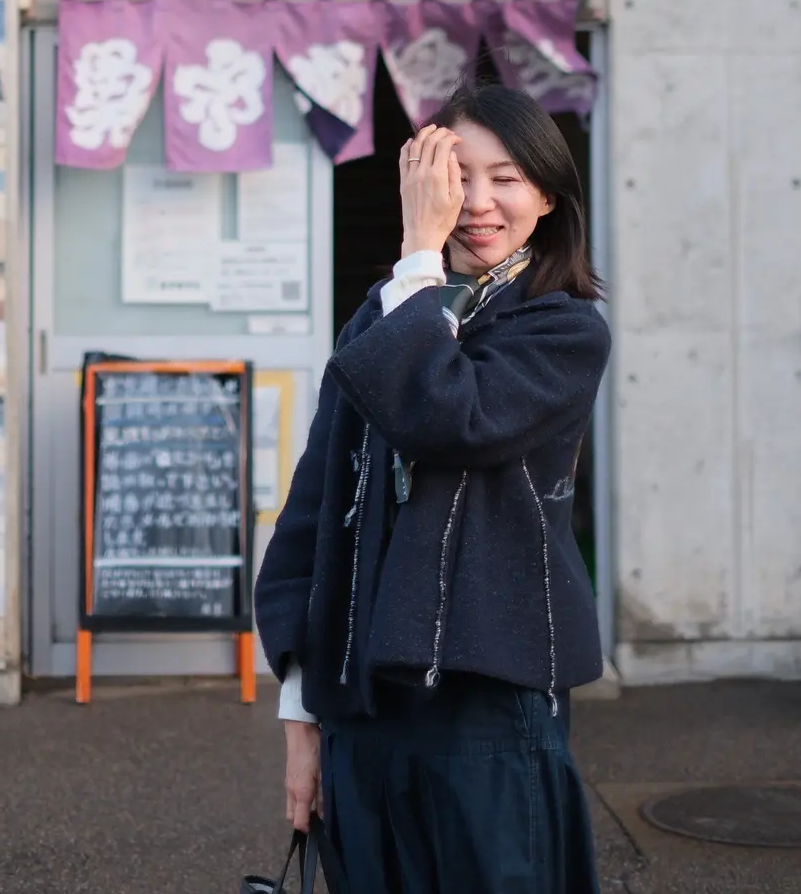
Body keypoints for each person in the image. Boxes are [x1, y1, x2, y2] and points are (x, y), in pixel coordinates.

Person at [254, 81, 611, 894]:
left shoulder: (564, 328)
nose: (478, 202)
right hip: (363, 709)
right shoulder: (384, 315)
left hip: (488, 705)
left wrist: (420, 249)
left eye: (507, 177)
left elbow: (446, 417)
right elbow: (317, 511)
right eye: (458, 176)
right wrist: (301, 718)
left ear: (549, 196)